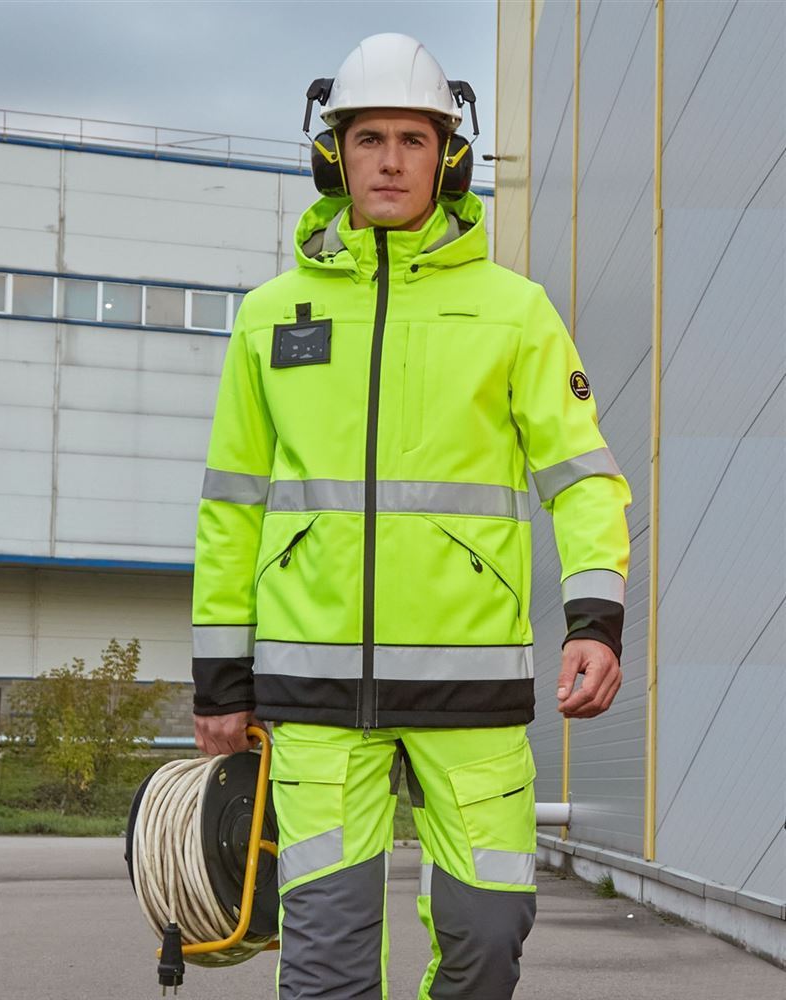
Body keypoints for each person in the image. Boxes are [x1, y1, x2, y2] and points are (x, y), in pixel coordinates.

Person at [191, 33, 631, 1000]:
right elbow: (232, 508)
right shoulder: (269, 317)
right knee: (325, 967)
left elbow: (582, 479)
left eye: (413, 140)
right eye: (368, 138)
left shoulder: (515, 312)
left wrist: (595, 619)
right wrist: (219, 679)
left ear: (448, 158)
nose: (389, 161)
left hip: (470, 687)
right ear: (332, 155)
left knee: (487, 941)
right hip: (310, 691)